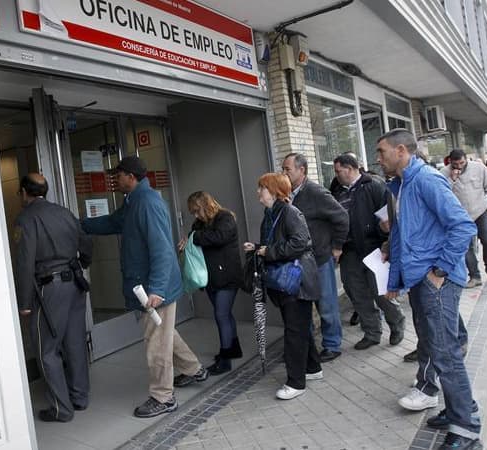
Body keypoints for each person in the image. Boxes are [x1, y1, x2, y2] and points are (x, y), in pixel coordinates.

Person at [377, 129, 482, 450]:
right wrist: (395, 280)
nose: (378, 158)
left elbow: (463, 225)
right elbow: (400, 237)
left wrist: (439, 271)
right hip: (419, 281)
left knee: (446, 353)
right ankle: (458, 409)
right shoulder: (402, 184)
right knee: (436, 349)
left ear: (401, 151)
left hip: (436, 281)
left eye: (382, 152)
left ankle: (466, 429)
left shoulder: (425, 180)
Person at [81, 156, 207, 419]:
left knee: (156, 343)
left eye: (118, 175)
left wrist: (157, 289)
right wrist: (80, 224)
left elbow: (161, 248)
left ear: (131, 177)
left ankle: (163, 396)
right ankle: (194, 369)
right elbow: (113, 223)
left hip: (153, 288)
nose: (115, 180)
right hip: (150, 285)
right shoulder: (133, 201)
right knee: (165, 333)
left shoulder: (147, 203)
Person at [14, 173, 92, 422]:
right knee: (75, 342)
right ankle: (79, 398)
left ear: (25, 192)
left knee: (47, 349)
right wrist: (81, 263)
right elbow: (86, 241)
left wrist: (24, 303)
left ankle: (61, 409)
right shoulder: (64, 212)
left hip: (49, 288)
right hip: (74, 282)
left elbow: (25, 263)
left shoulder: (25, 219)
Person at [243, 173, 321, 400]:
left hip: (297, 281)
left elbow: (301, 242)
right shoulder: (270, 214)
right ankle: (313, 368)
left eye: (262, 188)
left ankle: (296, 382)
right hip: (285, 282)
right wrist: (257, 247)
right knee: (299, 327)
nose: (258, 192)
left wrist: (268, 251)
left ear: (275, 190)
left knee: (294, 332)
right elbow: (276, 243)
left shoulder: (289, 212)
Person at [330, 154, 405, 350]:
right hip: (349, 250)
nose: (336, 175)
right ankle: (372, 333)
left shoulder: (374, 185)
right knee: (357, 292)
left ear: (351, 168)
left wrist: (386, 242)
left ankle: (397, 324)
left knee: (381, 292)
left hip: (374, 248)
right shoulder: (336, 189)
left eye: (339, 171)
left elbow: (388, 217)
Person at [282, 153, 349, 363]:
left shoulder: (316, 192)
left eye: (287, 169)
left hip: (319, 258)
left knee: (326, 304)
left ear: (301, 170)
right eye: (283, 169)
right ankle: (306, 346)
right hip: (297, 261)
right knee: (302, 305)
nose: (284, 173)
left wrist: (337, 246)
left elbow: (342, 217)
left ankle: (332, 344)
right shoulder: (287, 194)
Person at [178, 191, 243, 375]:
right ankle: (233, 349)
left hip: (228, 277)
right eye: (193, 212)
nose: (196, 215)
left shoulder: (225, 217)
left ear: (206, 205)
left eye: (197, 210)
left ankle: (225, 360)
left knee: (221, 315)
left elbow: (219, 237)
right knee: (225, 314)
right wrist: (189, 239)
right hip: (211, 278)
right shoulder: (199, 223)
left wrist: (194, 238)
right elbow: (194, 235)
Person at [440, 149, 487, 287]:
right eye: (456, 164)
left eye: (462, 162)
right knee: (466, 247)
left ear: (466, 159)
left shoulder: (479, 168)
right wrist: (452, 179)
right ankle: (474, 276)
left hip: (480, 212)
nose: (459, 166)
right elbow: (442, 193)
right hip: (460, 216)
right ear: (450, 161)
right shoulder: (444, 173)